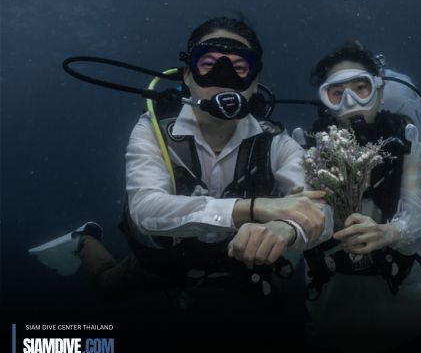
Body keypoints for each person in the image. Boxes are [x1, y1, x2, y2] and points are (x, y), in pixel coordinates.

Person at [29, 17, 332, 320]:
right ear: (187, 74)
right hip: (164, 260)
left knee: (277, 303)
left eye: (239, 67)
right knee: (106, 286)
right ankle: (85, 240)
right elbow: (146, 210)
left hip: (240, 262)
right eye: (208, 63)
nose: (223, 76)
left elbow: (321, 212)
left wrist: (286, 228)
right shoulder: (153, 129)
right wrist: (254, 208)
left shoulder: (276, 142)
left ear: (254, 82)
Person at [292, 41, 421, 353]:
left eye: (361, 89)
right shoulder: (305, 151)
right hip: (333, 337)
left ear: (379, 92)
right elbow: (296, 223)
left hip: (415, 325)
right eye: (336, 93)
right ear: (325, 102)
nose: (351, 102)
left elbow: (416, 219)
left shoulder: (405, 142)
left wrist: (391, 233)